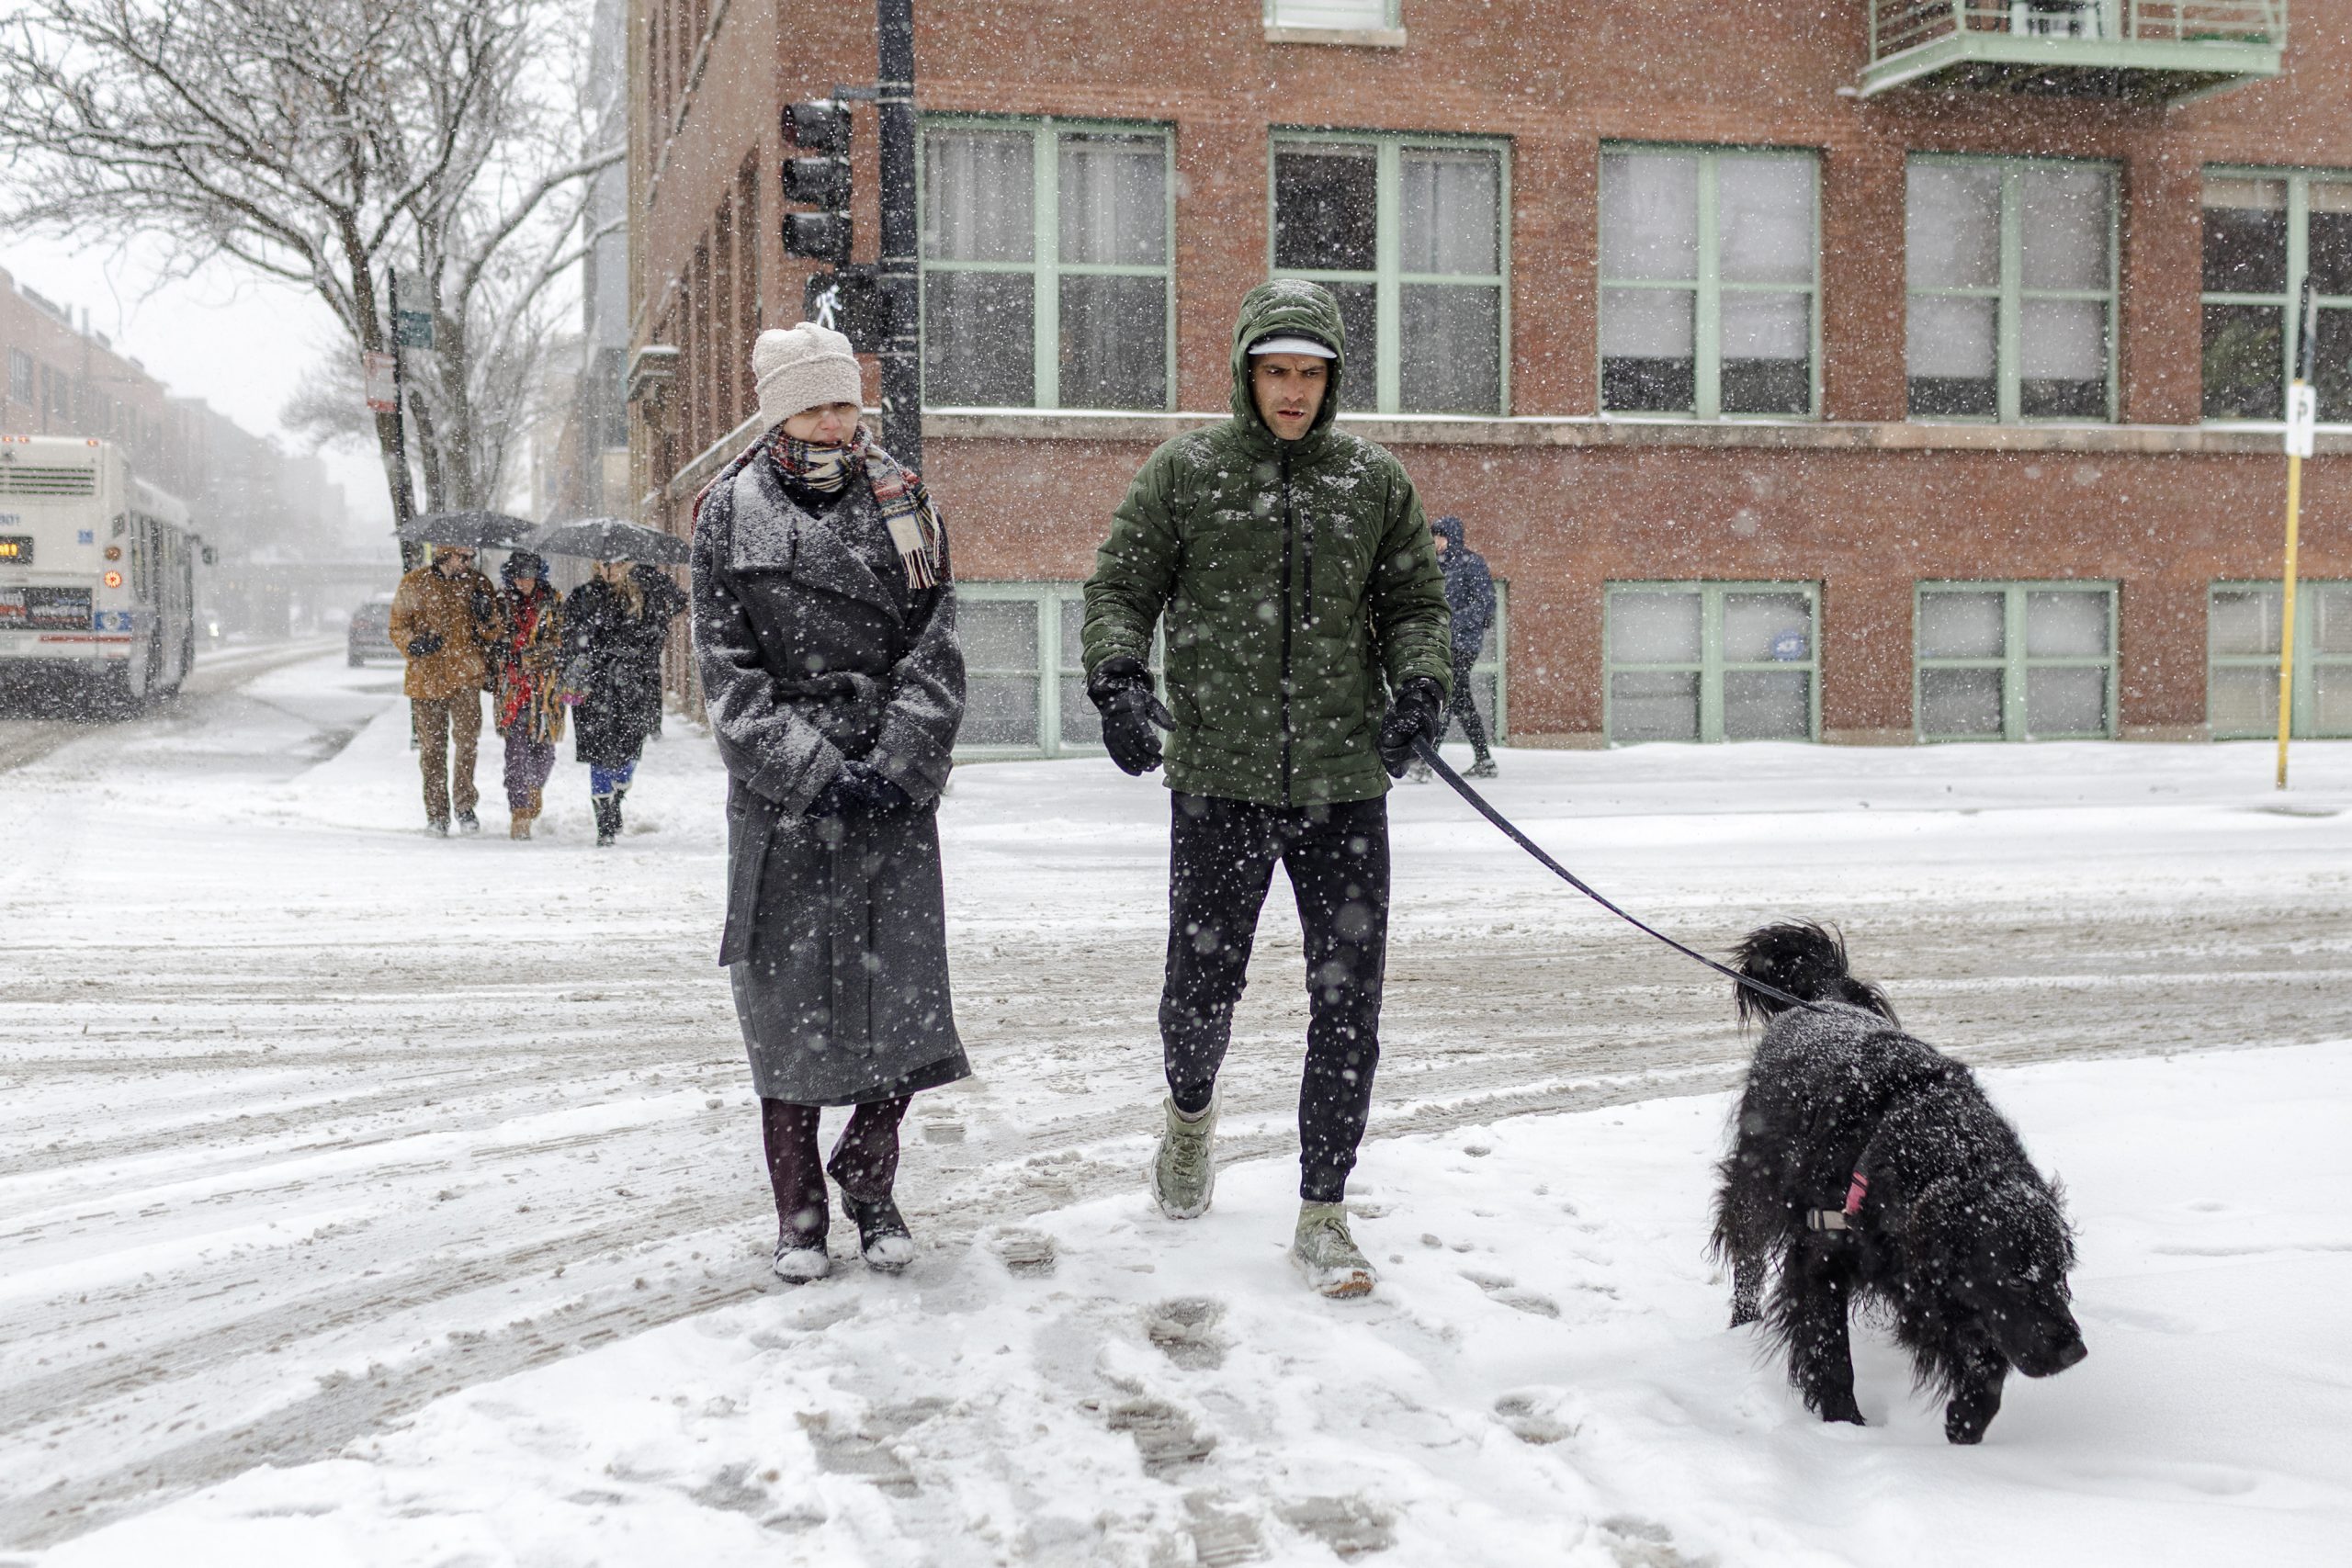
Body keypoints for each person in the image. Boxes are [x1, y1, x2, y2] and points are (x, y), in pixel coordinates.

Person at [1080, 279, 1453, 1300]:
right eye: (1276, 371)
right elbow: (1121, 586)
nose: (1293, 391)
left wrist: (1422, 684)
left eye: (1310, 374)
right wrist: (1118, 677)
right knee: (1200, 989)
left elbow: (1416, 605)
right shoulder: (1187, 473)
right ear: (1246, 373)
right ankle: (1189, 1115)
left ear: (1334, 380)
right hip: (1221, 779)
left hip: (1343, 784)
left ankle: (1324, 1208)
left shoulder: (1372, 483)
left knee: (1348, 1003)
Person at [690, 321, 968, 1284]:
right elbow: (726, 676)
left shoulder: (907, 503)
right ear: (778, 413)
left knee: (904, 1003)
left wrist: (895, 763)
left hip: (892, 790)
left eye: (844, 402)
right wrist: (812, 772)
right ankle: (799, 1212)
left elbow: (937, 643)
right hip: (784, 803)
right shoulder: (727, 515)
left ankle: (871, 1179)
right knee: (788, 1013)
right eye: (813, 406)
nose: (834, 423)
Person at [564, 558, 687, 846]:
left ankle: (618, 794)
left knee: (629, 753)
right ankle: (604, 824)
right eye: (606, 563)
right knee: (599, 753)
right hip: (595, 689)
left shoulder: (642, 597)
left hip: (633, 688)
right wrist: (588, 654)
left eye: (619, 563)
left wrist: (633, 655)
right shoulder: (583, 597)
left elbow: (659, 631)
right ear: (597, 565)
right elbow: (570, 639)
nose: (612, 569)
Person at [388, 544, 502, 835]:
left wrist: (485, 616)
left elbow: (493, 632)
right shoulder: (414, 583)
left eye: (471, 557)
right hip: (426, 679)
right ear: (444, 554)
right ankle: (437, 814)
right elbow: (397, 626)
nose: (468, 562)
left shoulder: (478, 584)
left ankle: (465, 806)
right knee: (431, 750)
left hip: (466, 675)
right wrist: (415, 644)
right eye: (462, 556)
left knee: (467, 744)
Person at [491, 549, 566, 840]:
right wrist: (497, 642)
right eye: (517, 577)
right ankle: (519, 812)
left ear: (538, 576)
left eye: (528, 577)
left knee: (544, 752)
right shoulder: (501, 603)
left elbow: (559, 643)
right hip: (512, 691)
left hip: (545, 691)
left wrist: (526, 657)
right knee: (516, 754)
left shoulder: (554, 602)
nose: (523, 582)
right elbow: (490, 636)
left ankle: (534, 788)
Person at [1423, 514, 1498, 780]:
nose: (1436, 542)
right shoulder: (1435, 566)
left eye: (1440, 536)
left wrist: (1450, 620)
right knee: (1456, 698)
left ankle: (1429, 761)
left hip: (1463, 644)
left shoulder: (1471, 564)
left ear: (1451, 538)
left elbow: (1485, 605)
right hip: (1443, 643)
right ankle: (1483, 759)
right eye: (1434, 536)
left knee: (1449, 696)